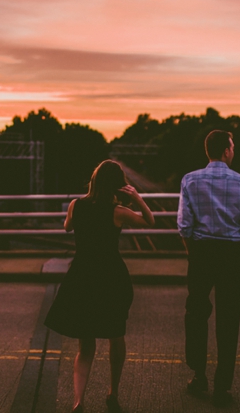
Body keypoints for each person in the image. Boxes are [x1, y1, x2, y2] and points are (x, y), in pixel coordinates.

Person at [44, 160, 155, 413]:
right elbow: (150, 222)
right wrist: (137, 198)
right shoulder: (117, 211)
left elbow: (66, 227)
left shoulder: (76, 205)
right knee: (116, 336)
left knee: (85, 344)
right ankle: (112, 392)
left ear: (93, 181)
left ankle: (79, 401)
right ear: (118, 185)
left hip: (82, 277)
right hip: (111, 278)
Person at [177, 130, 240, 407]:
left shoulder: (190, 180)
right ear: (226, 151)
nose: (233, 151)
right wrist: (239, 254)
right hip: (232, 256)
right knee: (229, 320)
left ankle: (198, 375)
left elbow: (184, 226)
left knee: (196, 314)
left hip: (201, 252)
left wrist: (194, 253)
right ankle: (222, 387)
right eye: (232, 147)